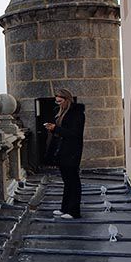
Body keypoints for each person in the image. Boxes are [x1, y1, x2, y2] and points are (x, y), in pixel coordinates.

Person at [44, 89, 85, 219]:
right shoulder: (61, 112)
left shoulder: (77, 113)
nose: (58, 104)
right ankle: (65, 208)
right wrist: (53, 128)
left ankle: (74, 211)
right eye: (57, 101)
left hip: (72, 151)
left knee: (73, 181)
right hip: (63, 150)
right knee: (67, 181)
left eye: (60, 101)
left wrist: (55, 128)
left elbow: (74, 134)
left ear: (67, 100)